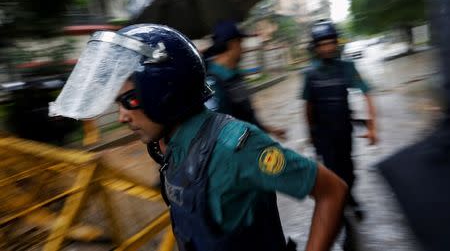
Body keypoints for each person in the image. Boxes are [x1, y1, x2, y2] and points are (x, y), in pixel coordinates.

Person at [50, 24, 348, 251]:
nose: (122, 116)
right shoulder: (169, 148)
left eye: (129, 100)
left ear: (162, 92)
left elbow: (331, 191)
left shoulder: (236, 145)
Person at [301, 20, 378, 220]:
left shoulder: (347, 68)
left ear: (336, 43)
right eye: (322, 44)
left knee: (349, 169)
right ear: (316, 48)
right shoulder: (310, 74)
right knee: (332, 171)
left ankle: (350, 196)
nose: (327, 48)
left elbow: (367, 93)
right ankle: (340, 212)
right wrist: (311, 134)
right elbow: (308, 107)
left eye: (330, 43)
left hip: (344, 130)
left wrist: (372, 127)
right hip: (323, 134)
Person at [204, 20, 286, 140]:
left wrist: (270, 130)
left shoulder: (235, 75)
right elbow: (216, 129)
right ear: (233, 44)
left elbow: (246, 114)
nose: (244, 49)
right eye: (241, 43)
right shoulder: (213, 80)